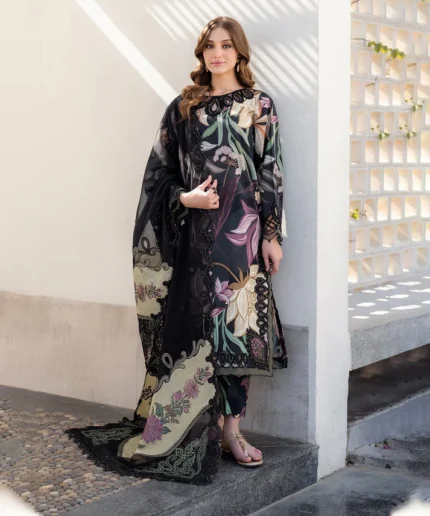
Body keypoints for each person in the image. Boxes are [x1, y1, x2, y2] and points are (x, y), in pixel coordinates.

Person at [67, 15, 288, 485]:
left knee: (236, 337)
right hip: (193, 241)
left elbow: (270, 172)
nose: (217, 53)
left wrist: (271, 235)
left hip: (242, 240)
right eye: (210, 46)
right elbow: (158, 175)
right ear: (201, 53)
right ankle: (197, 430)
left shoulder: (259, 106)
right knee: (196, 333)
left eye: (226, 45)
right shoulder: (184, 107)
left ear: (239, 52)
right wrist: (186, 199)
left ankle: (232, 433)